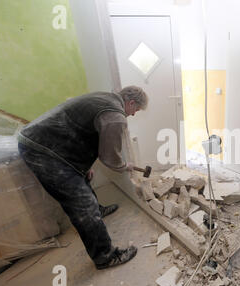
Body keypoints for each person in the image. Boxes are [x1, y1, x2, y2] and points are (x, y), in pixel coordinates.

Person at [17, 86, 148, 270]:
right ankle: (105, 256)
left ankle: (98, 211)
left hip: (49, 143)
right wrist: (124, 166)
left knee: (82, 182)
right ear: (131, 102)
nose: (134, 115)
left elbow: (82, 130)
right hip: (43, 150)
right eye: (136, 110)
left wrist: (83, 167)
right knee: (82, 204)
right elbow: (109, 156)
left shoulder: (104, 97)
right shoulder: (115, 116)